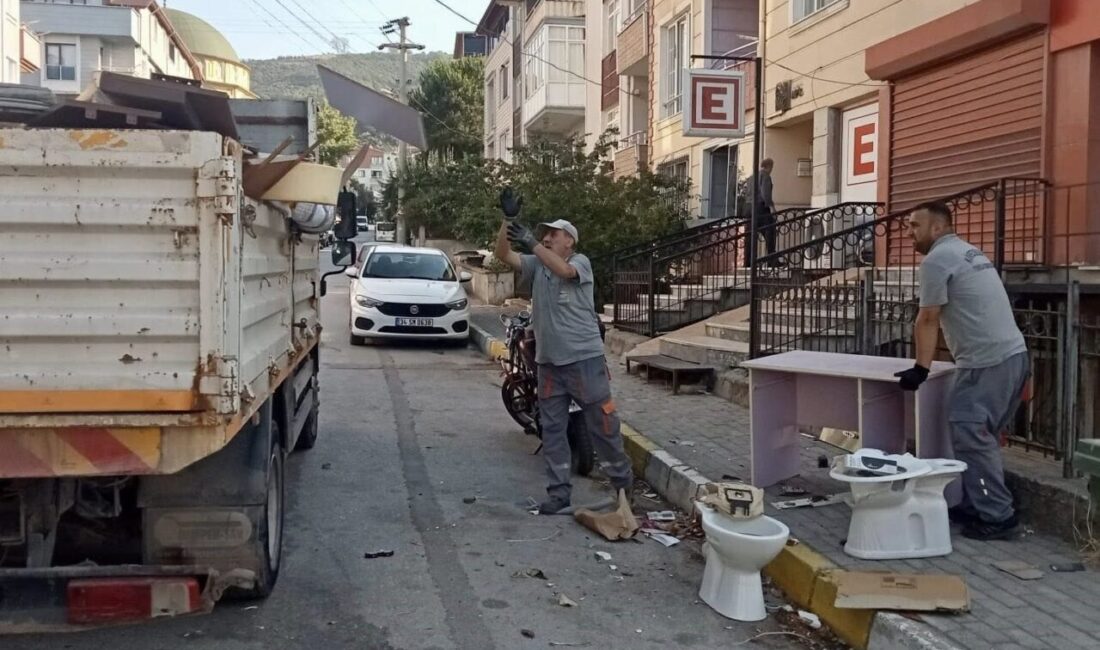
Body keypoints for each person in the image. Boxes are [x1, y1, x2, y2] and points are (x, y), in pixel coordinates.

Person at [895, 200, 1028, 541]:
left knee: (970, 433)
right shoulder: (968, 251)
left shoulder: (937, 260)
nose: (909, 231)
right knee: (978, 437)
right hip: (1012, 357)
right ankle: (977, 504)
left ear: (937, 228)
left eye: (914, 225)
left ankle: (998, 517)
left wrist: (920, 369)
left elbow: (927, 318)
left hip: (986, 363)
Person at [495, 216, 634, 514]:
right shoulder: (537, 265)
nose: (545, 238)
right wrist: (507, 222)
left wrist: (531, 241)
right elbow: (502, 255)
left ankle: (624, 490)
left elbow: (564, 270)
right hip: (548, 364)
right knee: (553, 431)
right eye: (543, 235)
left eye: (553, 235)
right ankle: (559, 494)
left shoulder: (580, 262)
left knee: (604, 426)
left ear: (569, 240)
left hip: (583, 361)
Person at [754, 158, 778, 258]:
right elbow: (765, 193)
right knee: (771, 231)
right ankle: (771, 259)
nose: (772, 169)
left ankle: (749, 262)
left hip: (752, 208)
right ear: (769, 166)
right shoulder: (766, 176)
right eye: (772, 167)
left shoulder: (754, 176)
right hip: (762, 207)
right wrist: (771, 207)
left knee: (752, 236)